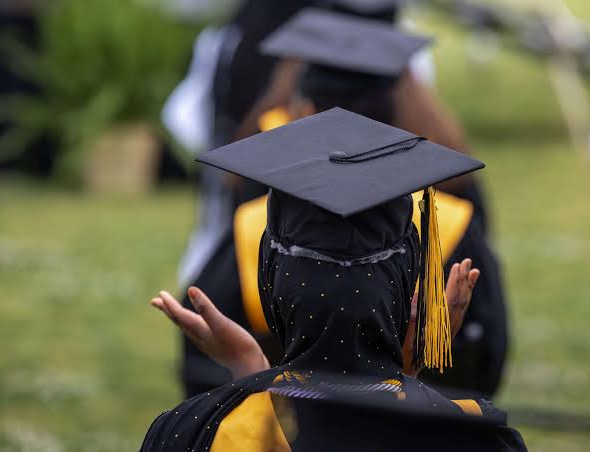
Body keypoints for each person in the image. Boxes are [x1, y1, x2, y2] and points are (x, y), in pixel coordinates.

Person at [143, 108, 526, 451]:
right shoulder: (477, 438)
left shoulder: (192, 434)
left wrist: (251, 373)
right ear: (410, 279)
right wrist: (408, 372)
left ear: (272, 281)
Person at [192, 7, 509, 398]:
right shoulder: (447, 222)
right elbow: (483, 365)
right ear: (393, 106)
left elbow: (201, 366)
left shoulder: (255, 223)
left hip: (279, 417)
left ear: (306, 106)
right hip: (411, 422)